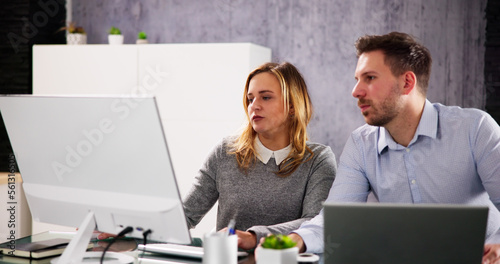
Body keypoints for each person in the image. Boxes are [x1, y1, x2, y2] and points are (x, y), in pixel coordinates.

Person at [286, 32, 500, 264]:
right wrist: (296, 239)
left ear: (407, 82)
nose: (356, 91)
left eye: (369, 78)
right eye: (357, 79)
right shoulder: (361, 144)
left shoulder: (476, 128)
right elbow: (336, 219)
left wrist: (498, 246)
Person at [182, 62, 337, 250]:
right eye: (250, 99)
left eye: (265, 97)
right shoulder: (225, 152)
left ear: (292, 106)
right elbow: (186, 215)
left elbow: (314, 223)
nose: (254, 106)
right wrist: (141, 231)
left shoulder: (318, 160)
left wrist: (253, 237)